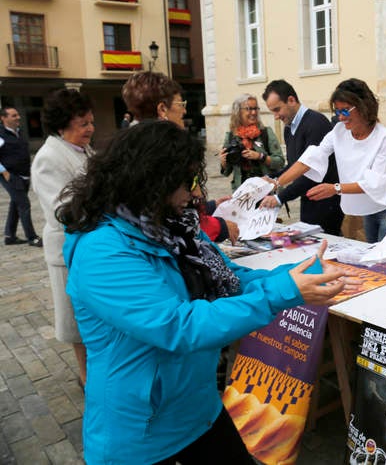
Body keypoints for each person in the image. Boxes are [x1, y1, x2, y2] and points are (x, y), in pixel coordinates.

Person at [57, 121, 350, 464]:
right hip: (141, 432)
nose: (197, 194)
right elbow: (180, 326)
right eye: (189, 181)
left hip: (197, 407)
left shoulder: (172, 227)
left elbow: (230, 278)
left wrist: (301, 275)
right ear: (152, 181)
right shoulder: (102, 251)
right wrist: (281, 294)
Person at [270, 78, 386, 243]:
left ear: (364, 107)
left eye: (345, 111)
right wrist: (277, 183)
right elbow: (311, 158)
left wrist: (335, 188)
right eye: (337, 111)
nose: (341, 118)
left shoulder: (384, 136)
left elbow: (376, 183)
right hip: (365, 208)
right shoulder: (339, 131)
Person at [122, 71, 237, 243]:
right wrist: (220, 227)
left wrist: (210, 206)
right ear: (162, 109)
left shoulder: (131, 146)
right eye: (180, 103)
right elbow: (174, 218)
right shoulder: (163, 152)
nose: (184, 110)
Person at [30, 89, 95, 386]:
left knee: (92, 315)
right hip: (67, 250)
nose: (90, 129)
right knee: (75, 321)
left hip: (89, 245)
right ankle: (85, 377)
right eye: (83, 123)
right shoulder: (49, 157)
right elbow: (63, 209)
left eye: (91, 122)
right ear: (62, 124)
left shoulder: (83, 150)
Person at [261, 79, 344, 235]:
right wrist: (272, 178)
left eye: (277, 109)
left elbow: (310, 170)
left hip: (326, 202)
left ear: (291, 100)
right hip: (308, 200)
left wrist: (280, 198)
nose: (276, 116)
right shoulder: (289, 128)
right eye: (272, 111)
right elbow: (294, 166)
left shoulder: (316, 123)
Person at [220, 94, 285, 190]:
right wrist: (223, 162)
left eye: (256, 108)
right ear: (237, 112)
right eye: (249, 109)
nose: (254, 112)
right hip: (242, 193)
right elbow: (226, 172)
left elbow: (280, 162)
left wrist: (260, 156)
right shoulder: (231, 136)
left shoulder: (266, 132)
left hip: (266, 191)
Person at [0, 107, 42, 246]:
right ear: (3, 118)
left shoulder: (20, 132)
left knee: (15, 204)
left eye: (18, 114)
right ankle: (32, 237)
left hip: (24, 175)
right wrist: (5, 172)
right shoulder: (1, 134)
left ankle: (9, 236)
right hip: (10, 176)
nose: (18, 117)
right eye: (14, 115)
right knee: (24, 204)